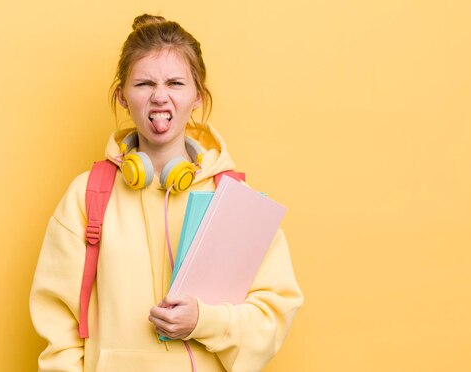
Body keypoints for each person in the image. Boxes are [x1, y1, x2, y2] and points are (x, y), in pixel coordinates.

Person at [30, 14, 303, 372]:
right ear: (122, 97)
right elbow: (57, 324)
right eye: (143, 84)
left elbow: (272, 316)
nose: (160, 96)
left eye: (175, 82)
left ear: (198, 97)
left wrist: (205, 321)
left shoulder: (235, 203)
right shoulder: (87, 196)